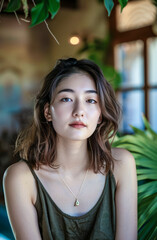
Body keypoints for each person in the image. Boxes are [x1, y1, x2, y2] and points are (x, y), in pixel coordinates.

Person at [3, 58, 137, 240]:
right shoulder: (21, 178)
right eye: (66, 98)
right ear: (48, 112)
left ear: (99, 115)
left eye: (90, 100)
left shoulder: (121, 164)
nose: (79, 111)